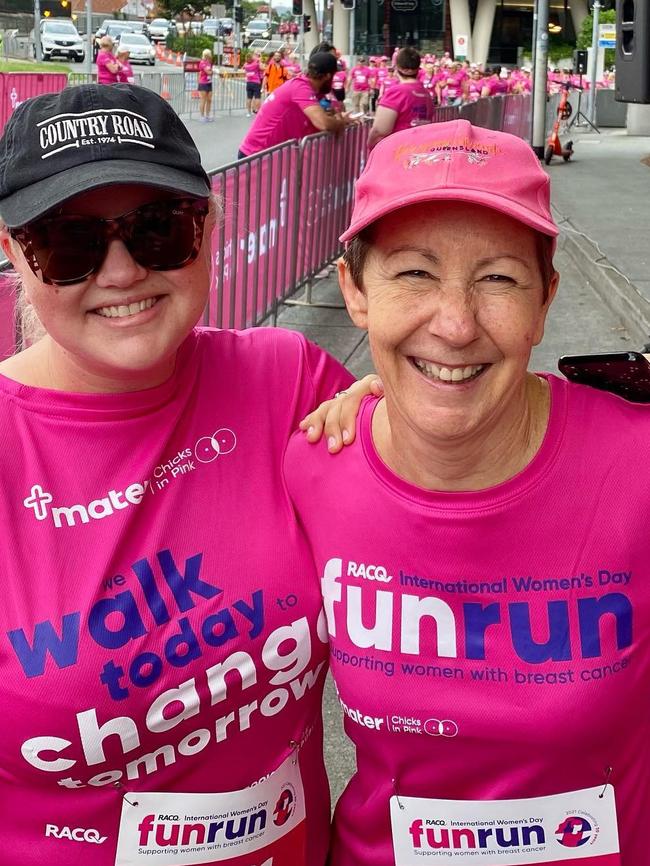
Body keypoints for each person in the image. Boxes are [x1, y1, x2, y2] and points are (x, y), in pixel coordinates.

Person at [0, 82, 378, 866]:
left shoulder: (291, 385)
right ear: (14, 254)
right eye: (68, 243)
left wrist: (419, 400)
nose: (121, 271)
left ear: (208, 227)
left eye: (157, 230)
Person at [285, 118, 648, 864]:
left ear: (546, 300)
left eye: (498, 279)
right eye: (414, 273)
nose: (454, 325)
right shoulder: (312, 464)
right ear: (355, 291)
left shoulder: (636, 464)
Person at [238, 52, 356, 159]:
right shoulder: (301, 87)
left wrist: (334, 116)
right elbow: (323, 123)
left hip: (271, 155)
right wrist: (340, 123)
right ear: (328, 76)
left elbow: (322, 117)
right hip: (256, 155)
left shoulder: (311, 89)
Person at [367, 47, 434, 150]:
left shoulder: (396, 92)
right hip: (420, 150)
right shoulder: (426, 94)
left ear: (397, 67)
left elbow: (380, 130)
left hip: (398, 151)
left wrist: (370, 145)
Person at [244, 50, 264, 116]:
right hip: (256, 82)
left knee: (249, 98)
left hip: (249, 82)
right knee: (257, 97)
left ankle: (248, 112)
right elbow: (262, 68)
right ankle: (257, 110)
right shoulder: (256, 64)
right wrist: (259, 60)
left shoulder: (246, 65)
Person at [197, 47, 213, 121]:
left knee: (209, 99)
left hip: (209, 82)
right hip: (203, 83)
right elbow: (208, 72)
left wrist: (211, 72)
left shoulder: (209, 62)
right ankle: (202, 116)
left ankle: (207, 115)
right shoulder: (202, 62)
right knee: (203, 99)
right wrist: (212, 72)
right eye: (209, 54)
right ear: (206, 55)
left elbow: (210, 72)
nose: (210, 55)